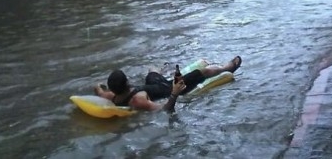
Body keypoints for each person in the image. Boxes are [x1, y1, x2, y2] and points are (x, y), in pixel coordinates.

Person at [94, 56, 242, 112]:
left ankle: (165, 68)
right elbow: (164, 110)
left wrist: (98, 85)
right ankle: (227, 67)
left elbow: (98, 90)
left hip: (153, 85)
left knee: (152, 69)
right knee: (202, 72)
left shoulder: (110, 96)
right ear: (127, 82)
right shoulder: (137, 100)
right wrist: (175, 93)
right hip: (168, 88)